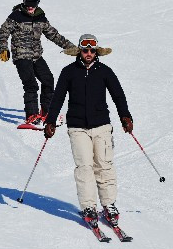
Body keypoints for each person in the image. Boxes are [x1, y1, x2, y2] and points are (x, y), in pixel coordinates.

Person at [43, 34, 134, 228]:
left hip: (102, 125)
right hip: (77, 127)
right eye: (85, 50)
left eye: (92, 50)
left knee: (104, 165)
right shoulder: (69, 72)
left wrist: (125, 116)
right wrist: (50, 120)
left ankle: (109, 205)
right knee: (84, 167)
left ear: (97, 52)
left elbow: (118, 95)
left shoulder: (105, 71)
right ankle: (89, 207)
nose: (89, 54)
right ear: (79, 51)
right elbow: (58, 97)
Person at [0, 0, 75, 124]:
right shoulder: (16, 16)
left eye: (33, 3)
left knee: (48, 80)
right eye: (28, 3)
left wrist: (72, 48)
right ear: (24, 2)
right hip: (21, 56)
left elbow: (54, 35)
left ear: (37, 3)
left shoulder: (41, 18)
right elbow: (3, 32)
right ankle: (31, 116)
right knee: (31, 84)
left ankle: (46, 112)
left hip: (36, 56)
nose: (30, 7)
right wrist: (3, 48)